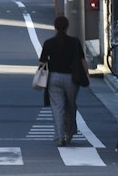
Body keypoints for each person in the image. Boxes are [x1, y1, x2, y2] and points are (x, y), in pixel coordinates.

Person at [39, 14, 90, 146]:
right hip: (72, 79)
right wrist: (87, 73)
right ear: (67, 27)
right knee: (71, 106)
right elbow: (82, 60)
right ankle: (70, 133)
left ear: (55, 27)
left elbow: (42, 62)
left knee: (57, 108)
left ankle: (59, 136)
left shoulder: (49, 43)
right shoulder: (74, 42)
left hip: (54, 78)